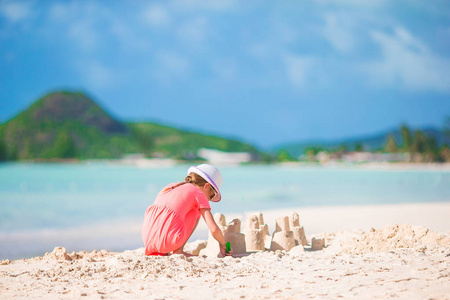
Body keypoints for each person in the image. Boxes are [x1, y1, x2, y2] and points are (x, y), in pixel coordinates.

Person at [141, 164, 233, 257]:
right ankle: (178, 250)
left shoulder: (171, 186)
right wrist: (223, 244)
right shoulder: (198, 193)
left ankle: (163, 249)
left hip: (147, 240)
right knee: (197, 210)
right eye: (212, 195)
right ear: (207, 186)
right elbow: (213, 229)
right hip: (169, 242)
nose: (209, 199)